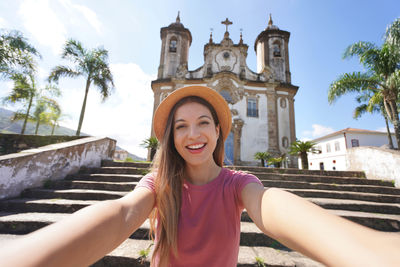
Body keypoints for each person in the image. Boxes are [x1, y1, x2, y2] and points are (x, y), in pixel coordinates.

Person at [1, 85, 399, 267]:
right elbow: (122, 214)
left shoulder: (239, 186)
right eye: (181, 126)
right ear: (171, 138)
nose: (193, 134)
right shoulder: (159, 186)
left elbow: (272, 207)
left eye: (203, 123)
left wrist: (373, 253)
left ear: (219, 133)